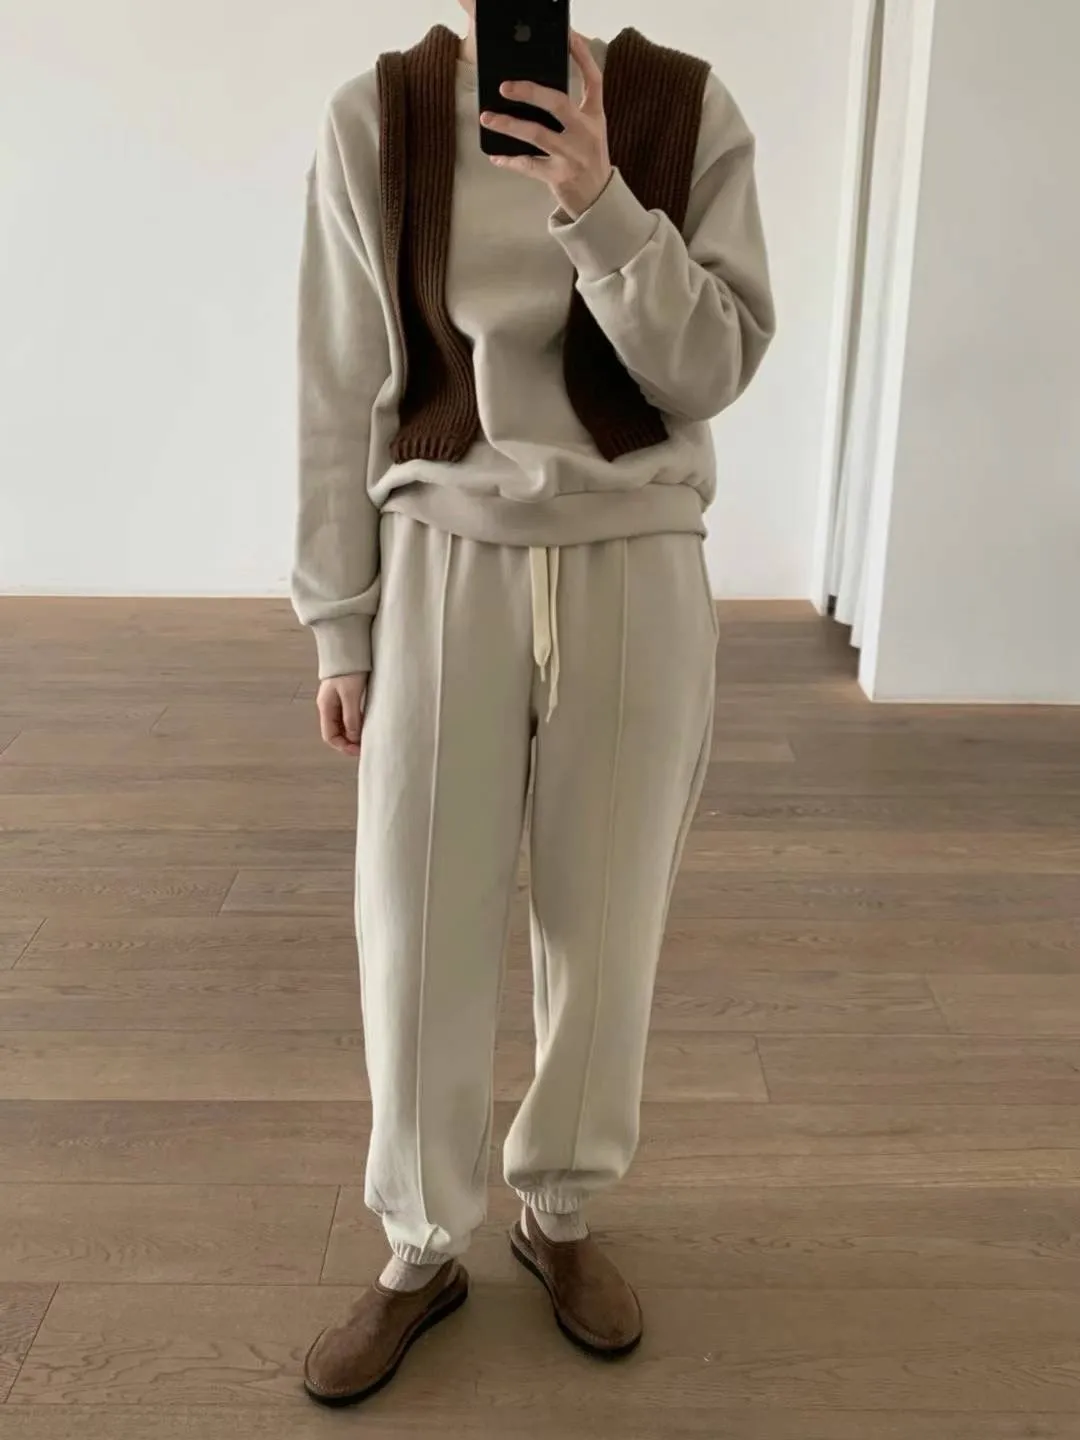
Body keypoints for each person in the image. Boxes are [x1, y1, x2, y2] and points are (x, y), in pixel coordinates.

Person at [293, 0, 774, 1407]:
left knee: (606, 920)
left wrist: (600, 199)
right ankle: (420, 1242)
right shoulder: (376, 117)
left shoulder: (688, 106)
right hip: (442, 557)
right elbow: (338, 386)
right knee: (416, 921)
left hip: (638, 556)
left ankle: (559, 1211)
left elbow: (711, 369)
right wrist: (338, 623)